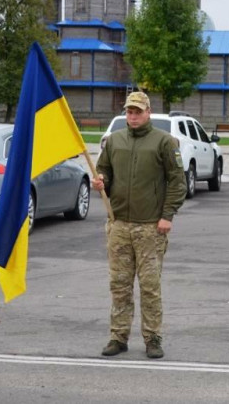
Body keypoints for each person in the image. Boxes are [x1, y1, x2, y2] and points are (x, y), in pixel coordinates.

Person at [93, 91, 187, 359]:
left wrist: (167, 215)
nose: (132, 116)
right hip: (119, 224)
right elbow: (105, 171)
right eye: (129, 112)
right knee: (119, 284)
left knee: (149, 286)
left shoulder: (165, 142)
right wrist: (101, 181)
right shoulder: (114, 141)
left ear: (148, 112)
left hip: (150, 227)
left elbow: (177, 181)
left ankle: (153, 338)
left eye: (137, 111)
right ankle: (118, 336)